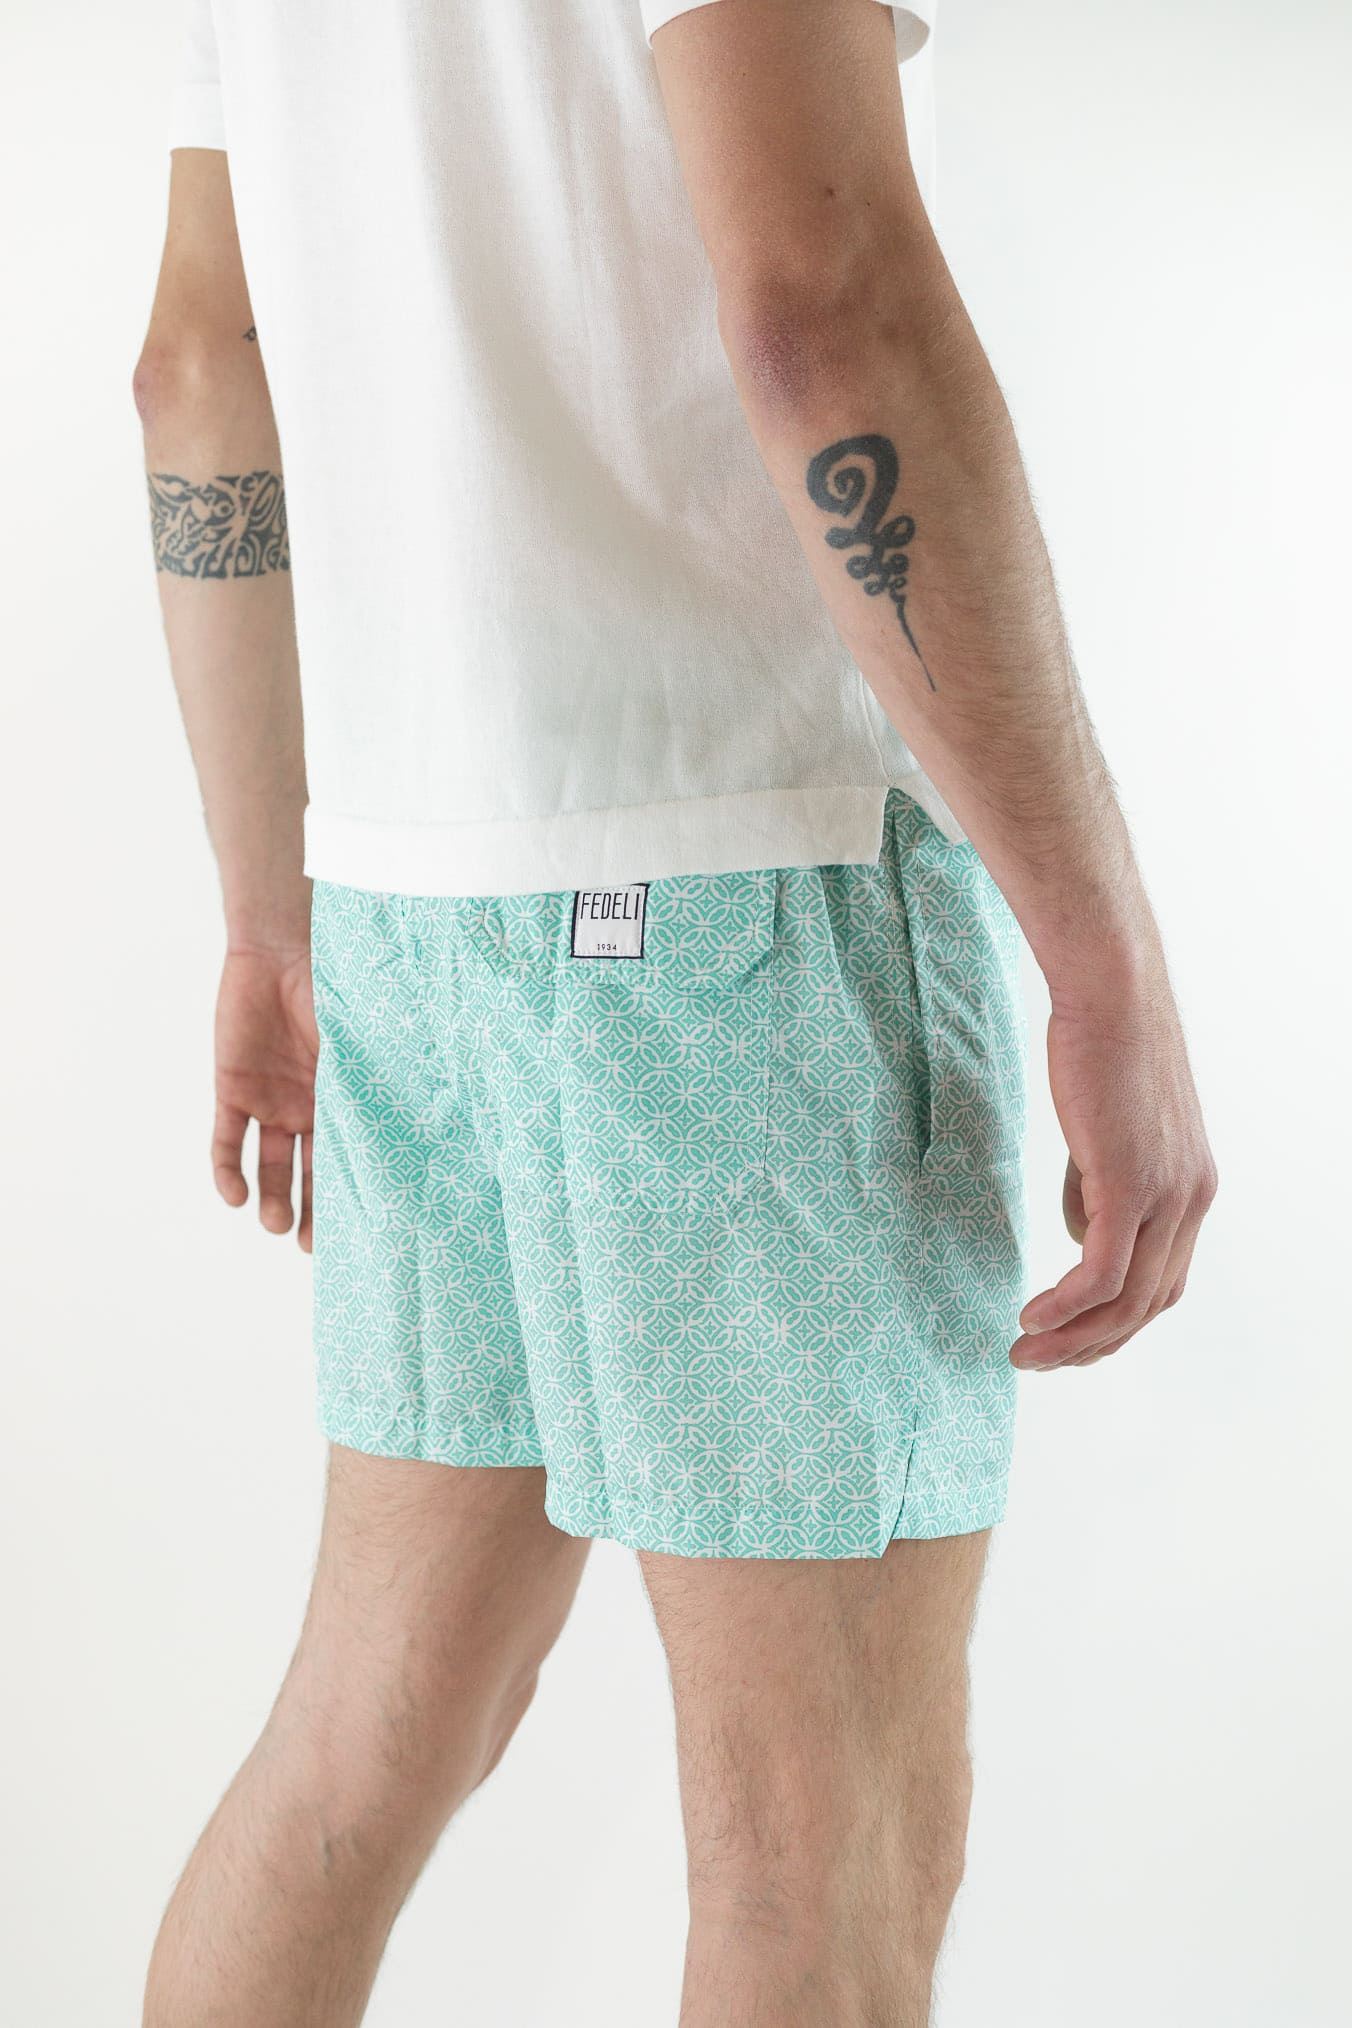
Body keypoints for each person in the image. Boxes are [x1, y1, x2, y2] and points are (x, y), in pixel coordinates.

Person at [133, 2, 1216, 2022]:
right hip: (749, 889)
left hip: (408, 911)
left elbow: (197, 368)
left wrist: (270, 913)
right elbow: (824, 312)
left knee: (365, 1743)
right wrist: (1099, 947)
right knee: (822, 1849)